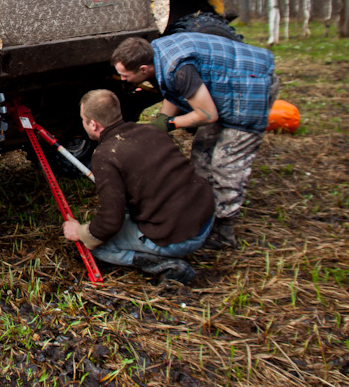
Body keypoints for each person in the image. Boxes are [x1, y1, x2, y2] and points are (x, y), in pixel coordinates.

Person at [110, 33, 277, 249]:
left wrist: (171, 125)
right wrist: (161, 122)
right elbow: (172, 92)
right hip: (224, 91)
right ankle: (205, 214)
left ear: (143, 69)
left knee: (225, 165)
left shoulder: (178, 69)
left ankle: (223, 233)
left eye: (125, 76)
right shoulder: (158, 54)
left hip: (251, 87)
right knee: (202, 153)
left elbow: (208, 115)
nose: (122, 80)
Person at [62, 89, 215, 284]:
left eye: (83, 119)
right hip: (206, 216)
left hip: (179, 236)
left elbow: (109, 223)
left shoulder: (105, 155)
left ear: (93, 124)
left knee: (97, 246)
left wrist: (81, 232)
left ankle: (164, 264)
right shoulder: (151, 130)